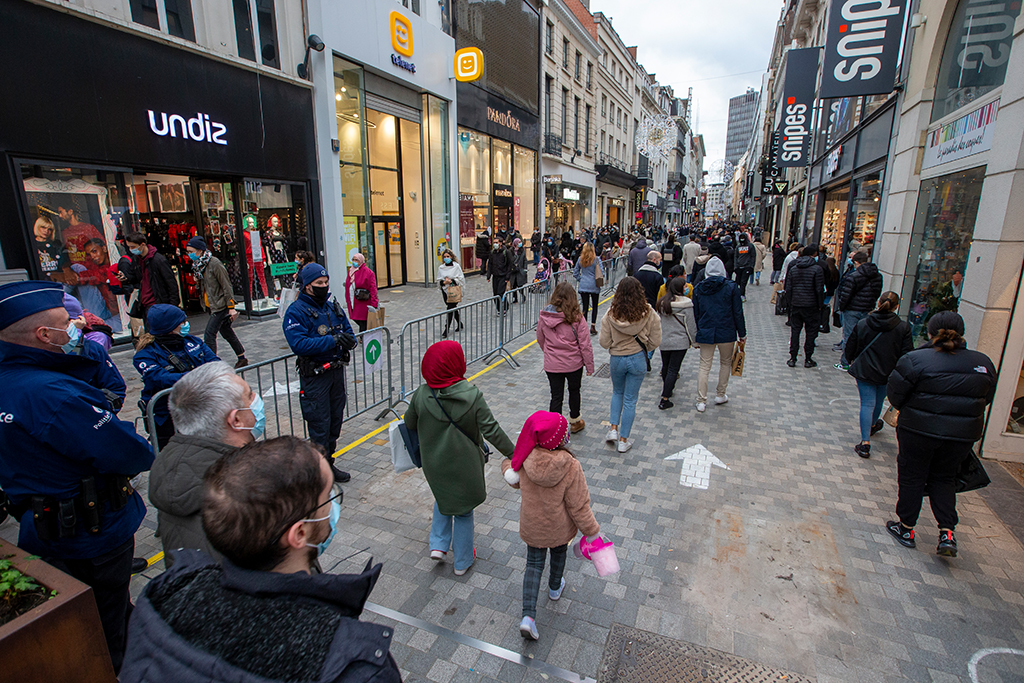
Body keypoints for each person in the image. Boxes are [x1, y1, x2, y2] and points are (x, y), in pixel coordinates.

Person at [120, 436, 402, 683]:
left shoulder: (167, 595)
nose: (333, 504)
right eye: (328, 496)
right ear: (299, 533)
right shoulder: (356, 667)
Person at [0, 281, 154, 673]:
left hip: (43, 523)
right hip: (92, 530)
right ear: (43, 334)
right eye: (66, 322)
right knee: (106, 622)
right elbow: (131, 453)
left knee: (108, 609)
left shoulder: (16, 384)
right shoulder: (55, 394)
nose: (76, 326)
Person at [885, 312, 997, 558]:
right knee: (945, 478)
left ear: (930, 332)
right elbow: (985, 399)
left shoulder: (915, 359)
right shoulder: (983, 363)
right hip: (961, 435)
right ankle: (947, 531)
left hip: (918, 430)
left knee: (912, 476)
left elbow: (895, 395)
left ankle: (906, 528)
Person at [404, 341, 515, 575]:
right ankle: (462, 561)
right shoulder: (472, 396)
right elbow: (492, 431)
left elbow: (410, 423)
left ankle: (438, 545)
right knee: (464, 510)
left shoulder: (421, 394)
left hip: (434, 463)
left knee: (442, 495)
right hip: (465, 465)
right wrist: (515, 454)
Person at [500, 412, 600, 642]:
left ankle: (528, 617)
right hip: (558, 529)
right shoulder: (571, 466)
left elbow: (513, 478)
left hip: (533, 526)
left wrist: (506, 464)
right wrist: (593, 533)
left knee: (533, 565)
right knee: (558, 553)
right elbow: (579, 507)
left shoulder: (525, 459)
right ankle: (555, 587)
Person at [149, 362, 261, 567]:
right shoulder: (242, 495)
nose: (256, 400)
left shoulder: (171, 464)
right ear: (236, 420)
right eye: (250, 395)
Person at [282, 263, 358, 483]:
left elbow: (349, 332)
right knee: (319, 426)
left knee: (335, 422)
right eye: (319, 284)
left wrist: (347, 341)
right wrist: (332, 340)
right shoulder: (296, 311)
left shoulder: (331, 306)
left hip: (335, 373)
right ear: (307, 286)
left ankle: (329, 465)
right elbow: (300, 344)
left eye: (326, 283)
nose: (324, 287)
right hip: (315, 377)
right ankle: (318, 473)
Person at [134, 304, 220, 450]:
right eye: (182, 322)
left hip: (198, 409)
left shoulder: (193, 342)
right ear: (170, 326)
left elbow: (216, 364)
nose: (186, 324)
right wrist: (200, 376)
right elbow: (161, 378)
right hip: (166, 416)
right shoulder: (145, 355)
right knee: (172, 455)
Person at [844, 292, 914, 458]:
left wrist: (850, 359)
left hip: (865, 370)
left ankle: (865, 442)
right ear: (896, 307)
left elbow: (850, 347)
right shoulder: (902, 328)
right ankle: (873, 425)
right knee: (879, 400)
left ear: (878, 302)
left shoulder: (864, 323)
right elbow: (907, 354)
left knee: (867, 403)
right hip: (888, 372)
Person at [599, 277, 662, 453]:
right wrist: (645, 349)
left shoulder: (611, 314)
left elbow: (604, 342)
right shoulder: (648, 313)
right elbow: (656, 339)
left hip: (617, 358)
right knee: (630, 399)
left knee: (617, 392)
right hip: (637, 357)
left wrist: (615, 345)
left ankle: (613, 429)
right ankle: (624, 440)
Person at [537, 282, 596, 434]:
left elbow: (540, 338)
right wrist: (589, 366)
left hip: (552, 364)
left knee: (556, 396)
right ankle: (575, 421)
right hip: (573, 363)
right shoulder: (577, 317)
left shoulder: (545, 315)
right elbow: (585, 344)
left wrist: (550, 353)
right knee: (574, 391)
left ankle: (553, 429)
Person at [692, 257, 746, 413]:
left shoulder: (699, 289)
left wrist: (697, 333)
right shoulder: (731, 287)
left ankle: (701, 400)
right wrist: (742, 333)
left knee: (704, 365)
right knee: (725, 363)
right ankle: (720, 394)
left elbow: (696, 314)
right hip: (727, 330)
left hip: (706, 330)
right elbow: (738, 312)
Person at [186, 237, 247, 369]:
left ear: (200, 250)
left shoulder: (215, 263)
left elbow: (226, 285)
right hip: (211, 304)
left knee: (209, 334)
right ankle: (242, 357)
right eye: (187, 251)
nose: (189, 254)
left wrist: (231, 307)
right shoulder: (199, 265)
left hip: (220, 305)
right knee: (226, 332)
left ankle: (211, 365)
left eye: (191, 251)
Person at [835, 251, 884, 370]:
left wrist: (841, 307)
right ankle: (859, 361)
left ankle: (845, 362)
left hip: (852, 309)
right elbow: (877, 292)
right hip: (867, 309)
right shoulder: (877, 276)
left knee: (849, 335)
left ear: (856, 262)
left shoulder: (854, 276)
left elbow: (846, 295)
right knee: (863, 335)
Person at [656, 277, 698, 410]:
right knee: (674, 369)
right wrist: (695, 341)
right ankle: (665, 397)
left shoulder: (662, 303)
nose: (687, 288)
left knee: (666, 367)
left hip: (664, 340)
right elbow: (690, 326)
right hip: (680, 342)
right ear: (680, 288)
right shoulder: (686, 304)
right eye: (685, 286)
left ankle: (668, 389)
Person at [124, 232, 179, 322]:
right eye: (129, 247)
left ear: (142, 245)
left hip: (159, 305)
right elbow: (135, 279)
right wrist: (125, 278)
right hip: (145, 305)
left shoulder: (158, 260)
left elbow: (171, 284)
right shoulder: (136, 260)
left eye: (133, 247)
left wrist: (172, 307)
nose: (130, 249)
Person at [785, 246, 825, 368]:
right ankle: (808, 358)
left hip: (796, 304)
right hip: (811, 305)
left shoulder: (794, 268)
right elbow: (819, 289)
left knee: (795, 331)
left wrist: (790, 303)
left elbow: (789, 288)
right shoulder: (817, 269)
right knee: (811, 333)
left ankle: (792, 357)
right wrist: (820, 305)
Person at [344, 249, 379, 333]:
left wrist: (374, 302)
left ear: (361, 261)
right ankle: (364, 334)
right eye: (353, 259)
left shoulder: (368, 272)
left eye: (356, 260)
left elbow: (373, 288)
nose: (354, 262)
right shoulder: (351, 271)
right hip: (352, 299)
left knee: (362, 319)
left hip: (363, 301)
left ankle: (363, 336)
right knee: (355, 317)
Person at [573, 242, 604, 335]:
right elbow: (602, 273)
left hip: (584, 285)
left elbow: (575, 273)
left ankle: (584, 326)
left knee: (585, 307)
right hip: (594, 285)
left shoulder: (580, 259)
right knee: (594, 306)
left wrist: (581, 279)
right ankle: (593, 325)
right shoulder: (597, 260)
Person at [438, 248, 466, 338]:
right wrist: (443, 282)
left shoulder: (456, 266)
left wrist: (452, 281)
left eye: (448, 256)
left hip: (454, 289)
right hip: (445, 291)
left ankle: (447, 329)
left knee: (450, 308)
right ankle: (460, 323)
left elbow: (461, 279)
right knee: (452, 308)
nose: (446, 258)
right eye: (445, 257)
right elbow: (438, 281)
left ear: (451, 257)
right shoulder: (441, 268)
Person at [487, 236, 513, 311]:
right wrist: (488, 276)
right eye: (494, 243)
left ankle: (504, 308)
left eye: (497, 242)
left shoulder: (506, 252)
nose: (495, 244)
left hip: (503, 276)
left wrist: (507, 277)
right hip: (495, 276)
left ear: (501, 243)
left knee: (500, 293)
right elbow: (490, 264)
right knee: (495, 294)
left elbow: (509, 264)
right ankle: (499, 308)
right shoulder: (492, 253)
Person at [732, 233, 756, 301]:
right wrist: (736, 266)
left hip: (747, 266)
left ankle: (742, 295)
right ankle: (737, 294)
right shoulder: (738, 247)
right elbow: (736, 256)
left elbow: (753, 256)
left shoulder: (750, 246)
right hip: (739, 266)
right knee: (738, 281)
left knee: (743, 282)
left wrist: (751, 266)